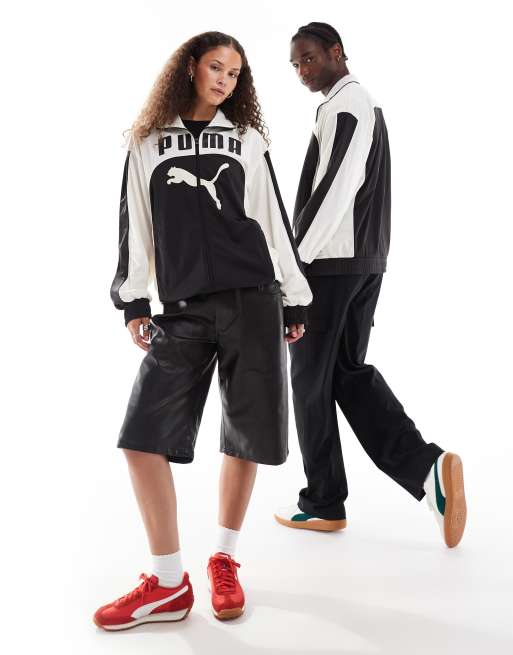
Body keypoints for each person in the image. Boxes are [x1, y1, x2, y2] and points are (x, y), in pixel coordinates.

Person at [94, 30, 312, 631]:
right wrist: (134, 301)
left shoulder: (245, 140)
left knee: (244, 436)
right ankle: (168, 583)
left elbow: (272, 220)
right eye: (216, 67)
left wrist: (295, 301)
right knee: (142, 439)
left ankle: (223, 559)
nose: (225, 81)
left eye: (235, 74)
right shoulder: (147, 142)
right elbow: (135, 222)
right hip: (183, 308)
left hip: (254, 300)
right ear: (190, 67)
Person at [274, 22, 467, 548]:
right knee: (344, 374)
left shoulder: (347, 104)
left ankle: (322, 502)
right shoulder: (352, 105)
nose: (302, 70)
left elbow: (336, 188)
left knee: (309, 380)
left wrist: (293, 264)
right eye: (295, 64)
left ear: (336, 52)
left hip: (331, 265)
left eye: (309, 58)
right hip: (360, 262)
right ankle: (427, 472)